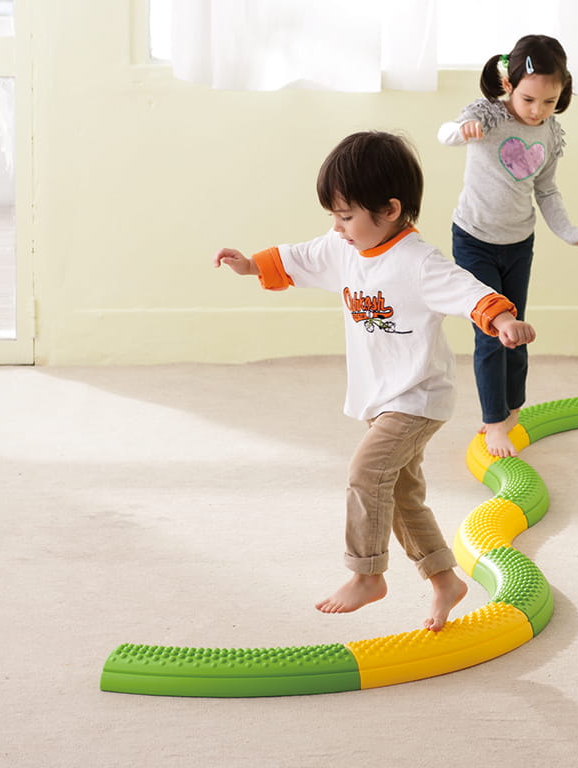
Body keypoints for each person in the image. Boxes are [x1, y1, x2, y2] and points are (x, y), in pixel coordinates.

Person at [214, 131, 536, 632]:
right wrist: (252, 264)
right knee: (401, 494)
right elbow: (300, 258)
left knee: (366, 473)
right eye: (333, 216)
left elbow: (467, 290)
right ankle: (444, 579)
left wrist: (502, 319)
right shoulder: (341, 248)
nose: (337, 228)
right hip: (379, 396)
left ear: (390, 210)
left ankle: (367, 574)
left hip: (418, 396)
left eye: (346, 216)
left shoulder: (418, 262)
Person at [438, 34, 578, 458]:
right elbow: (444, 134)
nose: (537, 110)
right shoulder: (487, 116)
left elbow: (547, 191)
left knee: (517, 332)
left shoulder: (550, 133)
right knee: (492, 332)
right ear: (508, 84)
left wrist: (569, 231)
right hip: (474, 239)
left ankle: (512, 409)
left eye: (549, 101)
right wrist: (461, 131)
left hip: (518, 243)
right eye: (528, 99)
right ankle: (493, 423)